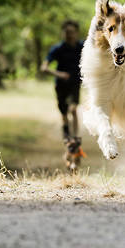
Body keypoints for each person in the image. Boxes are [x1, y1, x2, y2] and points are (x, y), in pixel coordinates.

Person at [40, 20, 85, 169]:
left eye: (72, 32)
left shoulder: (82, 47)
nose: (69, 35)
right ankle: (68, 143)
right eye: (67, 32)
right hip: (60, 86)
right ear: (63, 33)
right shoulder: (57, 49)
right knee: (65, 116)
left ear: (76, 33)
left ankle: (76, 140)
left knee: (74, 109)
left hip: (75, 84)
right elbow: (44, 67)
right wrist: (59, 74)